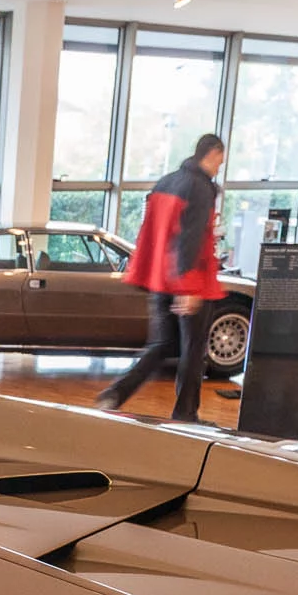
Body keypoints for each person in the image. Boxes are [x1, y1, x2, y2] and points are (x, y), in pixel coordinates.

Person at [96, 133, 226, 422]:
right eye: (220, 160)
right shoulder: (200, 188)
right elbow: (190, 239)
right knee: (193, 351)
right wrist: (188, 287)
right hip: (190, 282)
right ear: (213, 153)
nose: (220, 166)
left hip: (161, 280)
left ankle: (117, 392)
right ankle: (186, 414)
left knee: (162, 344)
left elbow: (151, 234)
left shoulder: (166, 182)